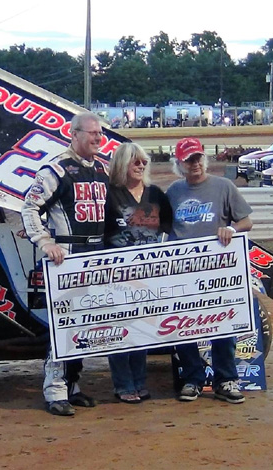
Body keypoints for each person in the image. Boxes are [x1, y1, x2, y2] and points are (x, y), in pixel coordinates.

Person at [21, 111, 108, 416]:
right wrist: (45, 241)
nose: (98, 138)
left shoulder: (102, 169)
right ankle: (55, 390)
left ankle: (72, 384)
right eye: (92, 133)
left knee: (85, 325)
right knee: (64, 325)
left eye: (100, 133)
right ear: (74, 134)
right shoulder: (56, 169)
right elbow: (30, 207)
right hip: (67, 257)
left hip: (96, 256)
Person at [166, 137, 253, 404]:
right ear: (179, 164)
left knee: (223, 323)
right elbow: (163, 227)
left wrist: (231, 229)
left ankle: (226, 379)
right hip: (183, 270)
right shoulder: (173, 192)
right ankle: (192, 379)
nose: (194, 164)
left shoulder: (223, 186)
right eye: (188, 160)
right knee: (183, 326)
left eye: (198, 158)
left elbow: (246, 221)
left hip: (218, 268)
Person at [103, 142, 173, 404]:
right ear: (122, 164)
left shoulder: (155, 194)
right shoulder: (109, 194)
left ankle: (140, 382)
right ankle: (123, 384)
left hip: (148, 274)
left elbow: (169, 227)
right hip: (116, 276)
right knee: (120, 329)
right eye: (136, 161)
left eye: (144, 162)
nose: (141, 166)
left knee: (142, 328)